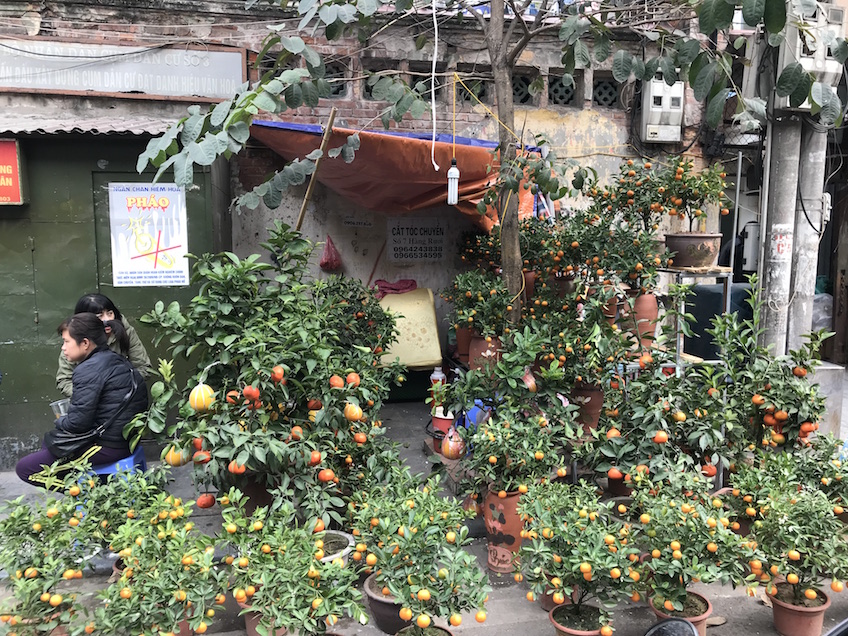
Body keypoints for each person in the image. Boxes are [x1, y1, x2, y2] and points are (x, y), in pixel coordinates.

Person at [17, 313, 149, 485]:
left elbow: (77, 424)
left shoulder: (88, 369)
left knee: (26, 469)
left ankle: (90, 497)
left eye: (66, 341)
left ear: (85, 343)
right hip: (124, 440)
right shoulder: (116, 360)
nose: (63, 348)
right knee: (51, 442)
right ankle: (90, 486)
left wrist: (60, 421)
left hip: (108, 446)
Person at [56, 293, 152, 397]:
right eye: (100, 316)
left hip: (123, 398)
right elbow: (64, 380)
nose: (107, 319)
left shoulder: (125, 330)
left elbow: (144, 368)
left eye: (110, 313)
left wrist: (118, 388)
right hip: (88, 401)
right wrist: (89, 395)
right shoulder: (74, 336)